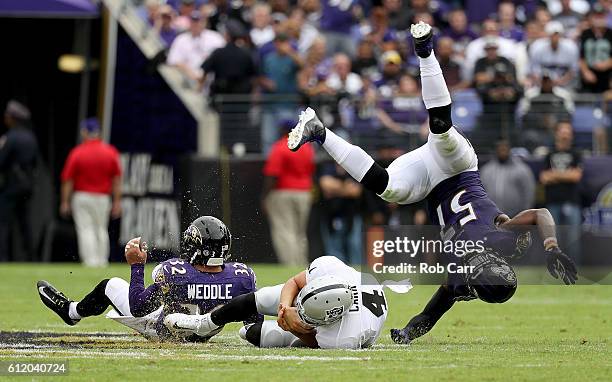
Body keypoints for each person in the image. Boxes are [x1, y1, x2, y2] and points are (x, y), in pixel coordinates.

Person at [286, 21, 577, 344]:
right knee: (440, 127)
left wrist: (408, 332)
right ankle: (425, 51)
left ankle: (319, 131)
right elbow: (540, 214)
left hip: (429, 182)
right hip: (459, 167)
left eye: (477, 272)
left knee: (387, 186)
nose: (478, 264)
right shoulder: (503, 239)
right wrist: (551, 247)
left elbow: (431, 312)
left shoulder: (462, 279)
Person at [37, 216, 259, 341]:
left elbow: (138, 306)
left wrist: (136, 266)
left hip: (161, 330)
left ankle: (72, 312)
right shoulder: (241, 277)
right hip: (200, 335)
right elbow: (253, 327)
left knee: (110, 285)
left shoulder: (176, 273)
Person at [164, 256, 389, 349]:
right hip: (327, 297)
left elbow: (314, 342)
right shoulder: (329, 268)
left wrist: (295, 327)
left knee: (252, 333)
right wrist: (285, 308)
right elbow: (295, 281)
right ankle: (204, 323)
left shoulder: (344, 336)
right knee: (262, 298)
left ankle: (282, 331)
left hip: (341, 325)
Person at [60, 118, 122, 267]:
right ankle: (101, 261)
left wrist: (65, 202)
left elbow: (67, 180)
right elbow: (117, 179)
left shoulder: (78, 152)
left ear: (85, 132)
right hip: (103, 197)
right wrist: (117, 201)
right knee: (101, 229)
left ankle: (90, 261)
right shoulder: (110, 152)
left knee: (86, 229)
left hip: (82, 196)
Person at [262, 120, 315, 266]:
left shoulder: (280, 147)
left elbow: (272, 175)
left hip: (283, 192)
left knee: (285, 232)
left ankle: (290, 266)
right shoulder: (306, 147)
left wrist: (265, 197)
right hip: (304, 193)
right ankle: (302, 266)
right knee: (300, 232)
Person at [0, 100, 39, 261]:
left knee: (3, 222)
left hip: (11, 185)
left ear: (12, 118)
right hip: (27, 185)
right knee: (25, 223)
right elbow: (35, 163)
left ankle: (3, 257)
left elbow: (2, 161)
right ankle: (31, 257)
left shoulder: (10, 137)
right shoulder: (31, 137)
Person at [540, 121, 583, 262]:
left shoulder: (576, 154)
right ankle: (555, 271)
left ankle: (575, 270)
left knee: (573, 240)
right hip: (553, 203)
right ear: (557, 133)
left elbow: (576, 176)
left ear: (571, 135)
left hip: (572, 202)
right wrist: (566, 175)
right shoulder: (549, 154)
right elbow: (544, 178)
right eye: (563, 131)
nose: (565, 135)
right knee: (553, 240)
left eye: (567, 132)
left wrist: (555, 174)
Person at [319, 163, 363, 265]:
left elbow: (356, 191)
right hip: (332, 215)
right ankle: (337, 272)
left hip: (351, 214)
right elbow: (325, 184)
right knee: (334, 245)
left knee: (354, 244)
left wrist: (335, 190)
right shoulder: (329, 167)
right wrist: (345, 188)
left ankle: (355, 271)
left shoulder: (354, 169)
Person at [166, 10, 225, 84]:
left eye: (199, 21)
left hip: (210, 81)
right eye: (193, 21)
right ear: (190, 23)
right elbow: (172, 61)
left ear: (205, 22)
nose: (196, 24)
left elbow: (223, 58)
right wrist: (189, 72)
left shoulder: (215, 37)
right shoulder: (181, 39)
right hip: (186, 81)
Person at [480, 140, 536, 217]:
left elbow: (529, 192)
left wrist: (525, 214)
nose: (503, 150)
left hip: (515, 217)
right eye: (500, 148)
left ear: (509, 149)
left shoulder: (522, 169)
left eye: (505, 148)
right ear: (496, 150)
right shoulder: (486, 170)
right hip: (491, 217)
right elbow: (480, 193)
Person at [528, 21, 579, 89]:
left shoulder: (571, 47)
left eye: (557, 34)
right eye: (552, 34)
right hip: (541, 85)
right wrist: (545, 84)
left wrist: (561, 81)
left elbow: (573, 70)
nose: (555, 37)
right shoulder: (537, 47)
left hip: (565, 86)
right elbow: (534, 70)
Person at [579, 5, 612, 93]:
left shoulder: (610, 34)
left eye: (601, 16)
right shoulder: (585, 34)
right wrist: (586, 72)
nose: (598, 19)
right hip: (589, 76)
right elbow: (581, 56)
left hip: (606, 76)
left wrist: (607, 64)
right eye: (596, 16)